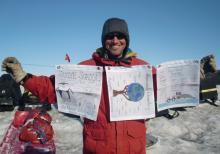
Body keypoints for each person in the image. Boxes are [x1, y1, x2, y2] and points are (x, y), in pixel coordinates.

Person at [2, 17, 156, 154]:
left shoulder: (143, 68)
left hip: (134, 148)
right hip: (97, 148)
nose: (115, 41)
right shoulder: (87, 69)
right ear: (103, 40)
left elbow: (161, 89)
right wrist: (23, 77)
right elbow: (52, 88)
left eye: (120, 36)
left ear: (127, 39)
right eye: (110, 36)